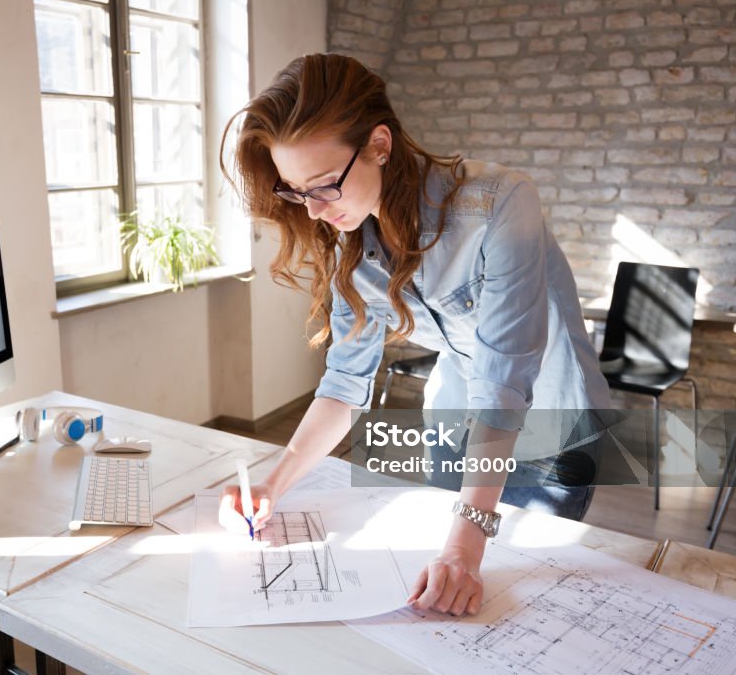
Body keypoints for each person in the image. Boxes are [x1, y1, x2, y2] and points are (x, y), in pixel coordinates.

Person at [217, 53, 610, 618]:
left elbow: (503, 384)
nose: (316, 211)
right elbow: (344, 383)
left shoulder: (501, 203)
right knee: (440, 606)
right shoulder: (348, 236)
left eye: (325, 185)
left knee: (517, 600)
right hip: (455, 417)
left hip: (551, 422)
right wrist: (272, 486)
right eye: (297, 192)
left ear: (379, 144)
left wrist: (464, 545)